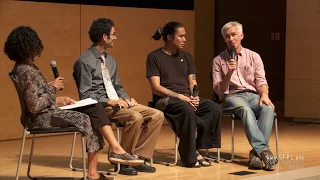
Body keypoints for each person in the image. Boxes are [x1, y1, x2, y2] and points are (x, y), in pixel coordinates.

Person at [4, 26, 143, 180]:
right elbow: (34, 106)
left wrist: (57, 98)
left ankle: (110, 155)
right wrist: (53, 89)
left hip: (46, 112)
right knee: (87, 118)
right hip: (40, 118)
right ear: (30, 45)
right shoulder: (26, 71)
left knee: (93, 107)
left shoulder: (24, 68)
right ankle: (99, 167)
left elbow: (35, 95)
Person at [73, 18, 164, 175]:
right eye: (113, 34)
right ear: (104, 36)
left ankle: (137, 157)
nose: (116, 37)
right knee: (134, 117)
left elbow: (117, 86)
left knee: (157, 114)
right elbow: (85, 95)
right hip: (100, 106)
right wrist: (109, 101)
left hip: (117, 102)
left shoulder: (110, 60)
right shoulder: (84, 61)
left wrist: (127, 99)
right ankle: (122, 161)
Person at [146, 21, 221, 168]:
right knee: (186, 110)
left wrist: (194, 96)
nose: (184, 39)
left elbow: (193, 82)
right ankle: (189, 157)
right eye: (181, 36)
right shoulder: (154, 57)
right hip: (164, 100)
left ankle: (198, 148)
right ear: (169, 37)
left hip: (187, 98)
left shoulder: (187, 57)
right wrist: (180, 97)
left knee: (214, 108)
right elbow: (156, 87)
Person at [212, 21, 278, 170]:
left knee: (268, 108)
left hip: (253, 94)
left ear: (241, 35)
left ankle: (256, 154)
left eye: (234, 35)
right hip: (232, 97)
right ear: (224, 39)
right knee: (245, 109)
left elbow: (261, 80)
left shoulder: (254, 56)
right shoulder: (217, 61)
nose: (231, 39)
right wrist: (229, 72)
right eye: (227, 36)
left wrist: (265, 95)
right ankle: (264, 151)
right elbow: (219, 91)